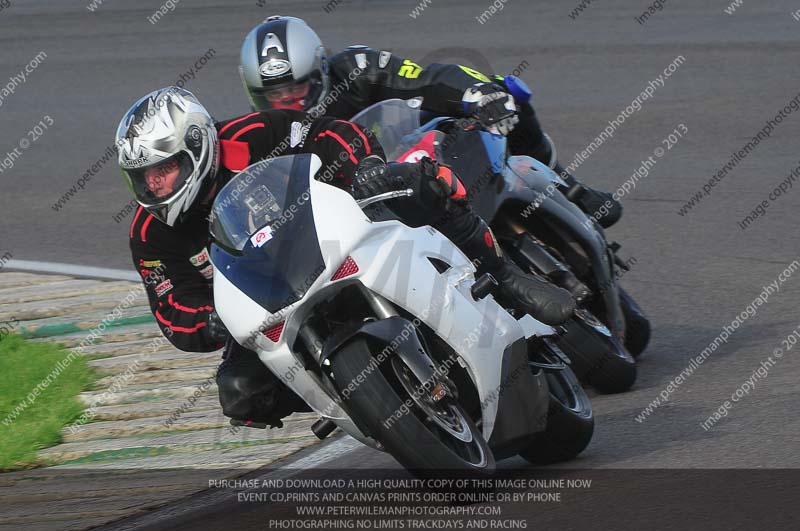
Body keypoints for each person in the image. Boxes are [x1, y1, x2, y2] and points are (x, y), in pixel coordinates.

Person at [117, 86, 575, 429]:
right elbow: (171, 304)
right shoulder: (149, 233)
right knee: (240, 394)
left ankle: (506, 276)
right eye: (144, 176)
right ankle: (348, 400)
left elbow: (335, 133)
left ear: (198, 145)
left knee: (420, 183)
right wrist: (206, 321)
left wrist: (364, 171)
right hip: (263, 296)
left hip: (336, 232)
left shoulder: (260, 132)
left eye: (164, 168)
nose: (154, 185)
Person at [238, 15, 622, 229]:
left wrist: (478, 95)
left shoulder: (357, 67)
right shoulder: (266, 139)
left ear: (320, 70)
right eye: (277, 95)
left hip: (428, 150)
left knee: (505, 92)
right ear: (258, 96)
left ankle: (570, 188)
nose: (291, 100)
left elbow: (426, 76)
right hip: (373, 213)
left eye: (300, 86)